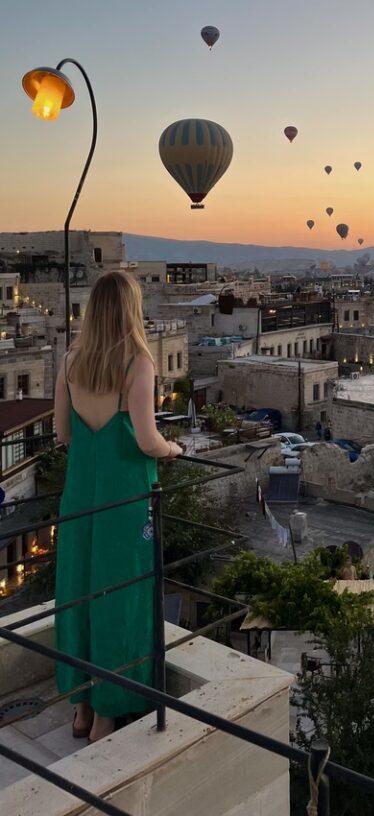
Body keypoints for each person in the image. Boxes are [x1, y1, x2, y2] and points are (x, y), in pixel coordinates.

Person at [54, 271, 184, 743]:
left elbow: (63, 433)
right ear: (131, 310)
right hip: (125, 499)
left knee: (80, 592)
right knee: (121, 596)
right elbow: (147, 439)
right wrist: (172, 450)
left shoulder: (69, 360)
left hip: (79, 497)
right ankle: (109, 712)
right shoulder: (138, 363)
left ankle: (82, 706)